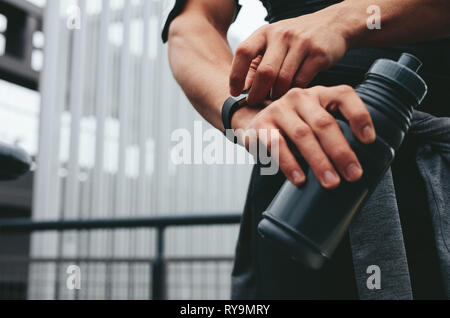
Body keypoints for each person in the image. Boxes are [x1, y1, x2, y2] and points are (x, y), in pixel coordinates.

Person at [162, 0, 450, 299]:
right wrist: (244, 113)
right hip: (297, 185)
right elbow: (192, 23)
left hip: (434, 171)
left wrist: (344, 20)